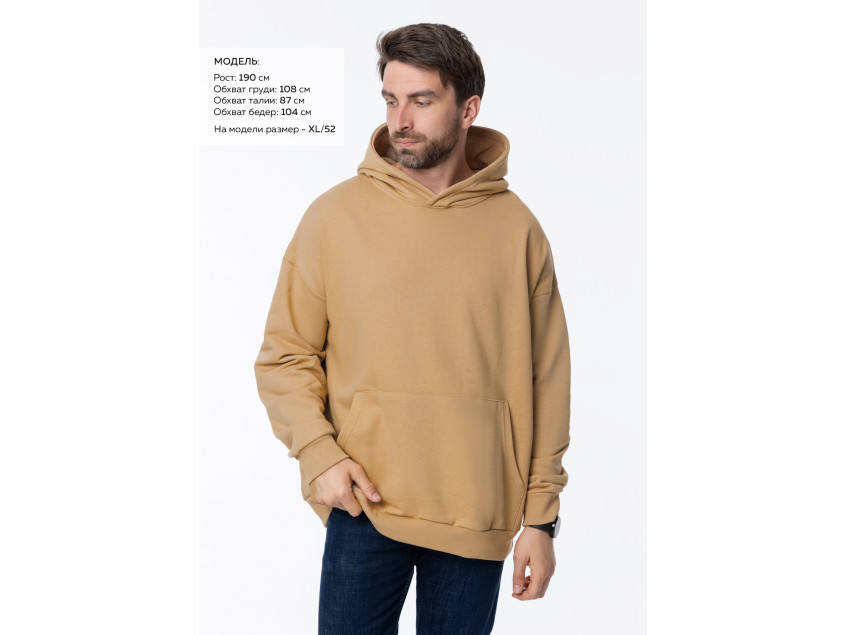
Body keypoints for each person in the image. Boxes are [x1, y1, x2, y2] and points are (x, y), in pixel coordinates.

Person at [254, 22, 571, 634]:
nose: (401, 120)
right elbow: (285, 355)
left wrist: (541, 519)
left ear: (468, 110)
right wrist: (319, 454)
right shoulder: (335, 217)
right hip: (364, 503)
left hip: (477, 509)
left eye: (422, 101)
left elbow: (548, 382)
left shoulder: (518, 231)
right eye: (391, 100)